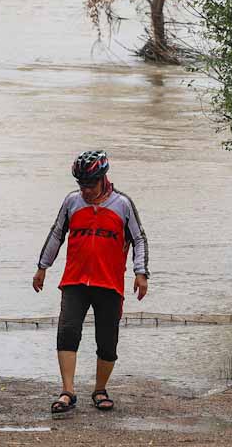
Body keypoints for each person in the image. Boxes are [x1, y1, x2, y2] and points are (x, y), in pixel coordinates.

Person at [32, 149, 149, 415]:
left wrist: (141, 273)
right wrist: (42, 267)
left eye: (90, 185)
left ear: (104, 179)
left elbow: (139, 239)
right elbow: (56, 234)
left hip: (109, 284)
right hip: (74, 282)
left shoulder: (123, 204)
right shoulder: (71, 202)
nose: (85, 190)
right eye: (81, 185)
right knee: (68, 331)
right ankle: (67, 391)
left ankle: (99, 390)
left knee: (107, 341)